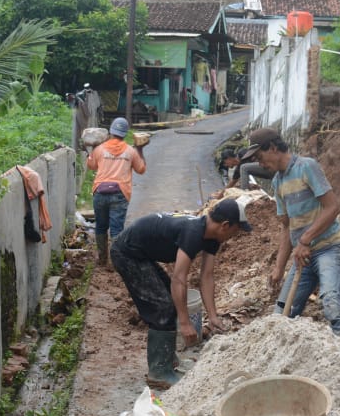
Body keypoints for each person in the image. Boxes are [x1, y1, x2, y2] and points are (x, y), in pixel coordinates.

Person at [109, 198, 252, 388]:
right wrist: (184, 323)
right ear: (226, 225)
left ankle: (166, 358)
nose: (236, 235)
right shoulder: (193, 233)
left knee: (169, 301)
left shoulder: (212, 238)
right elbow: (179, 278)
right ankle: (159, 372)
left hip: (142, 254)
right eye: (236, 230)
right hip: (126, 253)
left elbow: (207, 277)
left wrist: (213, 316)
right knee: (163, 306)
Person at [239, 127, 340, 350]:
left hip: (328, 248)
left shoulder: (307, 167)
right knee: (282, 311)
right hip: (302, 257)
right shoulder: (278, 183)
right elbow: (286, 229)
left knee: (331, 301)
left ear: (273, 148)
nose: (260, 164)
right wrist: (278, 268)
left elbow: (333, 207)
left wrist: (305, 240)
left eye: (260, 157)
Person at [85, 117, 147, 265]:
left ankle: (102, 259)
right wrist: (140, 149)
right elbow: (141, 169)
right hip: (120, 193)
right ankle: (115, 262)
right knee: (116, 229)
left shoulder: (100, 149)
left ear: (111, 132)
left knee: (100, 226)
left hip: (100, 191)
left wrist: (91, 150)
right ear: (125, 134)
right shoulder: (131, 151)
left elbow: (91, 166)